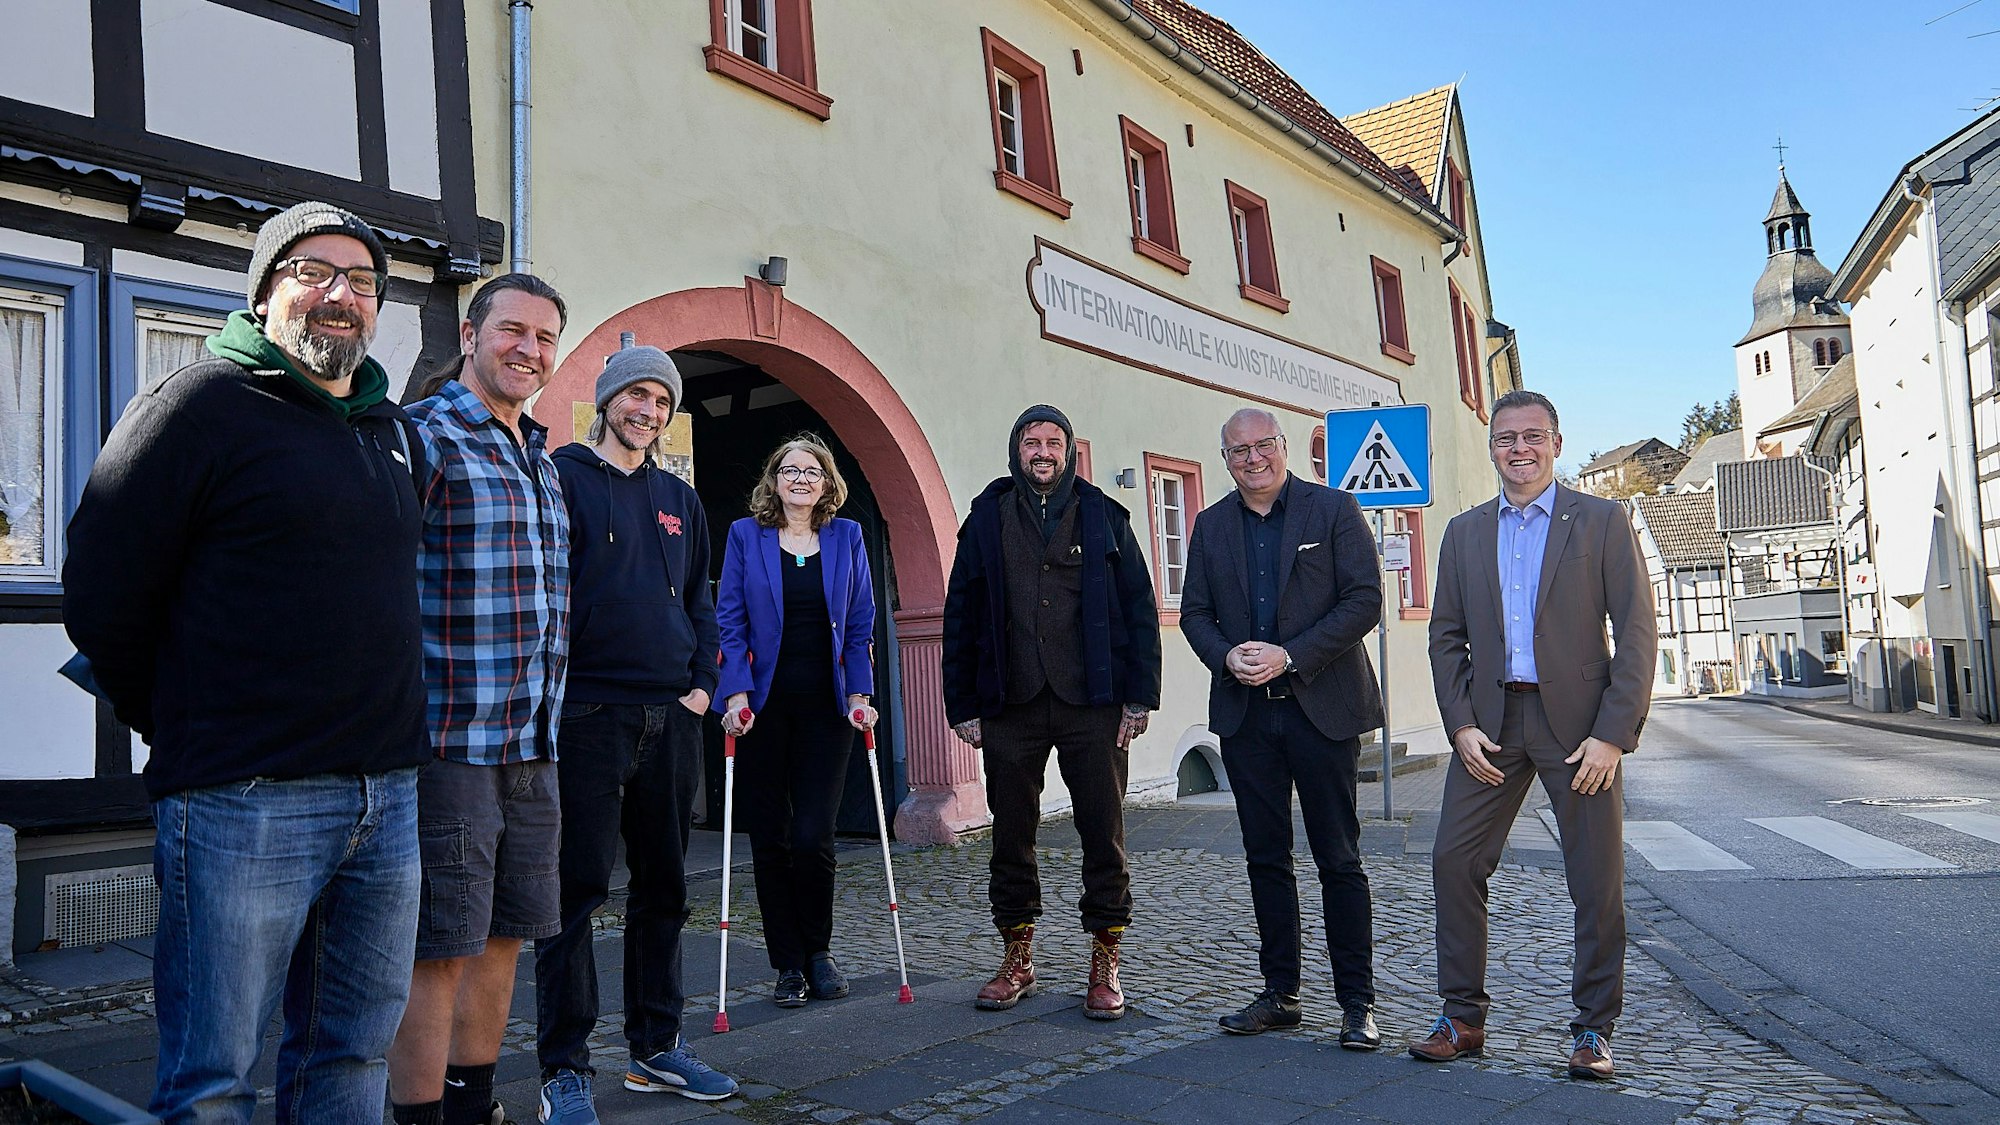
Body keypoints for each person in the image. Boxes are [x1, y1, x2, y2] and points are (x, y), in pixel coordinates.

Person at [64, 201, 427, 1122]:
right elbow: (103, 597)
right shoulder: (197, 405)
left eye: (362, 280)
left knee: (352, 1055)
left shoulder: (389, 427)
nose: (340, 294)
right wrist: (189, 720)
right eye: (314, 271)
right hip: (243, 797)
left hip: (385, 797)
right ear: (265, 290)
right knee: (214, 1079)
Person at [1413, 389, 1655, 1081]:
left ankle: (1593, 1029)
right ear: (1491, 447)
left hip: (1580, 730)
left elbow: (1636, 633)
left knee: (1595, 879)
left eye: (1532, 436)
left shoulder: (1603, 522)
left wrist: (1613, 734)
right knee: (1454, 862)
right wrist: (1458, 722)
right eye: (1505, 438)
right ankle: (1462, 1017)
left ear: (1556, 442)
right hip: (1491, 726)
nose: (1519, 449)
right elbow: (1445, 637)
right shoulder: (1464, 532)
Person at [532, 346, 738, 1120]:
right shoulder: (562, 478)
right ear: (607, 399)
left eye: (660, 399)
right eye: (636, 395)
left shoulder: (680, 500)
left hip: (671, 719)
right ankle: (565, 1068)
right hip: (586, 715)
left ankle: (655, 1049)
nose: (647, 409)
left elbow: (701, 601)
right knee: (575, 893)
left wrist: (701, 687)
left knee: (664, 889)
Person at [387, 273, 571, 1125]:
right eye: (513, 330)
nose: (528, 350)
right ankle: (418, 1115)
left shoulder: (541, 453)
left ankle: (473, 1105)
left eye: (544, 337)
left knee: (508, 937)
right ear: (471, 333)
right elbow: (379, 584)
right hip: (450, 741)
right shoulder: (424, 437)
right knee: (441, 946)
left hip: (534, 743)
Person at [941, 404, 1161, 1020]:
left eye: (1053, 441)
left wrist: (1139, 697)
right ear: (1017, 450)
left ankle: (1105, 959)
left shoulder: (1104, 516)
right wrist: (963, 704)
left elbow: (1140, 610)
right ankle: (1018, 958)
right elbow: (958, 616)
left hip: (1094, 702)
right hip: (1008, 702)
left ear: (1069, 452)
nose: (1043, 451)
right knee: (1011, 837)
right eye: (1032, 441)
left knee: (1103, 832)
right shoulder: (986, 517)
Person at [1179, 408, 1385, 1048]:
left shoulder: (1333, 511)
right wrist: (1226, 656)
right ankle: (1281, 994)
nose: (1252, 458)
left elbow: (1364, 601)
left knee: (1338, 858)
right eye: (1237, 450)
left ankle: (1357, 1003)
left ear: (1282, 447)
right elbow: (1196, 613)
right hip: (1247, 717)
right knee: (1266, 858)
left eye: (1262, 445)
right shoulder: (1211, 525)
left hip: (1321, 709)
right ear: (1225, 458)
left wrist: (1289, 655)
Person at [714, 435, 878, 1009]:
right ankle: (787, 963)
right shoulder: (745, 536)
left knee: (813, 836)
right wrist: (733, 693)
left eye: (812, 471)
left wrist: (860, 692)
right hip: (761, 711)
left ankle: (819, 951)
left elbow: (859, 623)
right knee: (771, 838)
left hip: (826, 711)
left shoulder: (847, 537)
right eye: (790, 470)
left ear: (828, 482)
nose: (801, 479)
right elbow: (729, 620)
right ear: (774, 480)